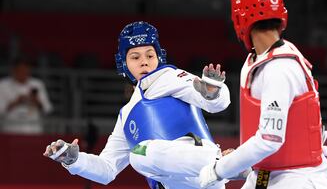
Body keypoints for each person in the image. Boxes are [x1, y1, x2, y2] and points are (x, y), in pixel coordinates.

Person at [43, 21, 233, 189]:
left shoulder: (167, 77)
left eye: (150, 56)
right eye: (135, 57)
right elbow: (107, 170)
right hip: (174, 185)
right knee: (138, 153)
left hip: (204, 172)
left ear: (159, 58)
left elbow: (216, 103)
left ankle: (226, 164)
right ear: (123, 63)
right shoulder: (125, 115)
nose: (144, 63)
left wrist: (213, 92)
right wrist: (74, 160)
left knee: (139, 153)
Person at [199, 0, 327, 189]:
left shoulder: (279, 68)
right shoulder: (256, 60)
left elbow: (269, 139)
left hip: (299, 178)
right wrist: (242, 161)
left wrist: (220, 169)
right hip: (266, 173)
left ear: (240, 16)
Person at [0, 58, 53, 134]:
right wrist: (16, 102)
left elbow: (47, 109)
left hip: (33, 130)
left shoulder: (37, 84)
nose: (23, 73)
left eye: (25, 70)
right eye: (20, 71)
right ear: (14, 70)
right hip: (11, 130)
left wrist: (36, 101)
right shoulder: (3, 85)